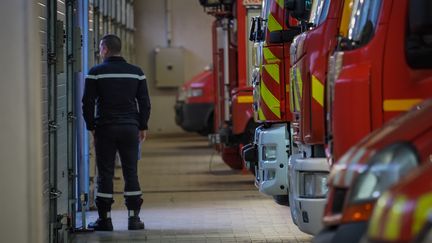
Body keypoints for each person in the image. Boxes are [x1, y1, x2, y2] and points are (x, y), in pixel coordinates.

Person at [82, 34, 151, 231]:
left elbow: (87, 102)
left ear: (104, 49)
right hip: (130, 128)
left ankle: (105, 220)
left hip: (105, 128)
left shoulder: (95, 72)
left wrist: (91, 126)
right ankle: (134, 219)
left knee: (105, 173)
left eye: (100, 48)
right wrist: (143, 125)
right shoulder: (136, 72)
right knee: (131, 171)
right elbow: (144, 102)